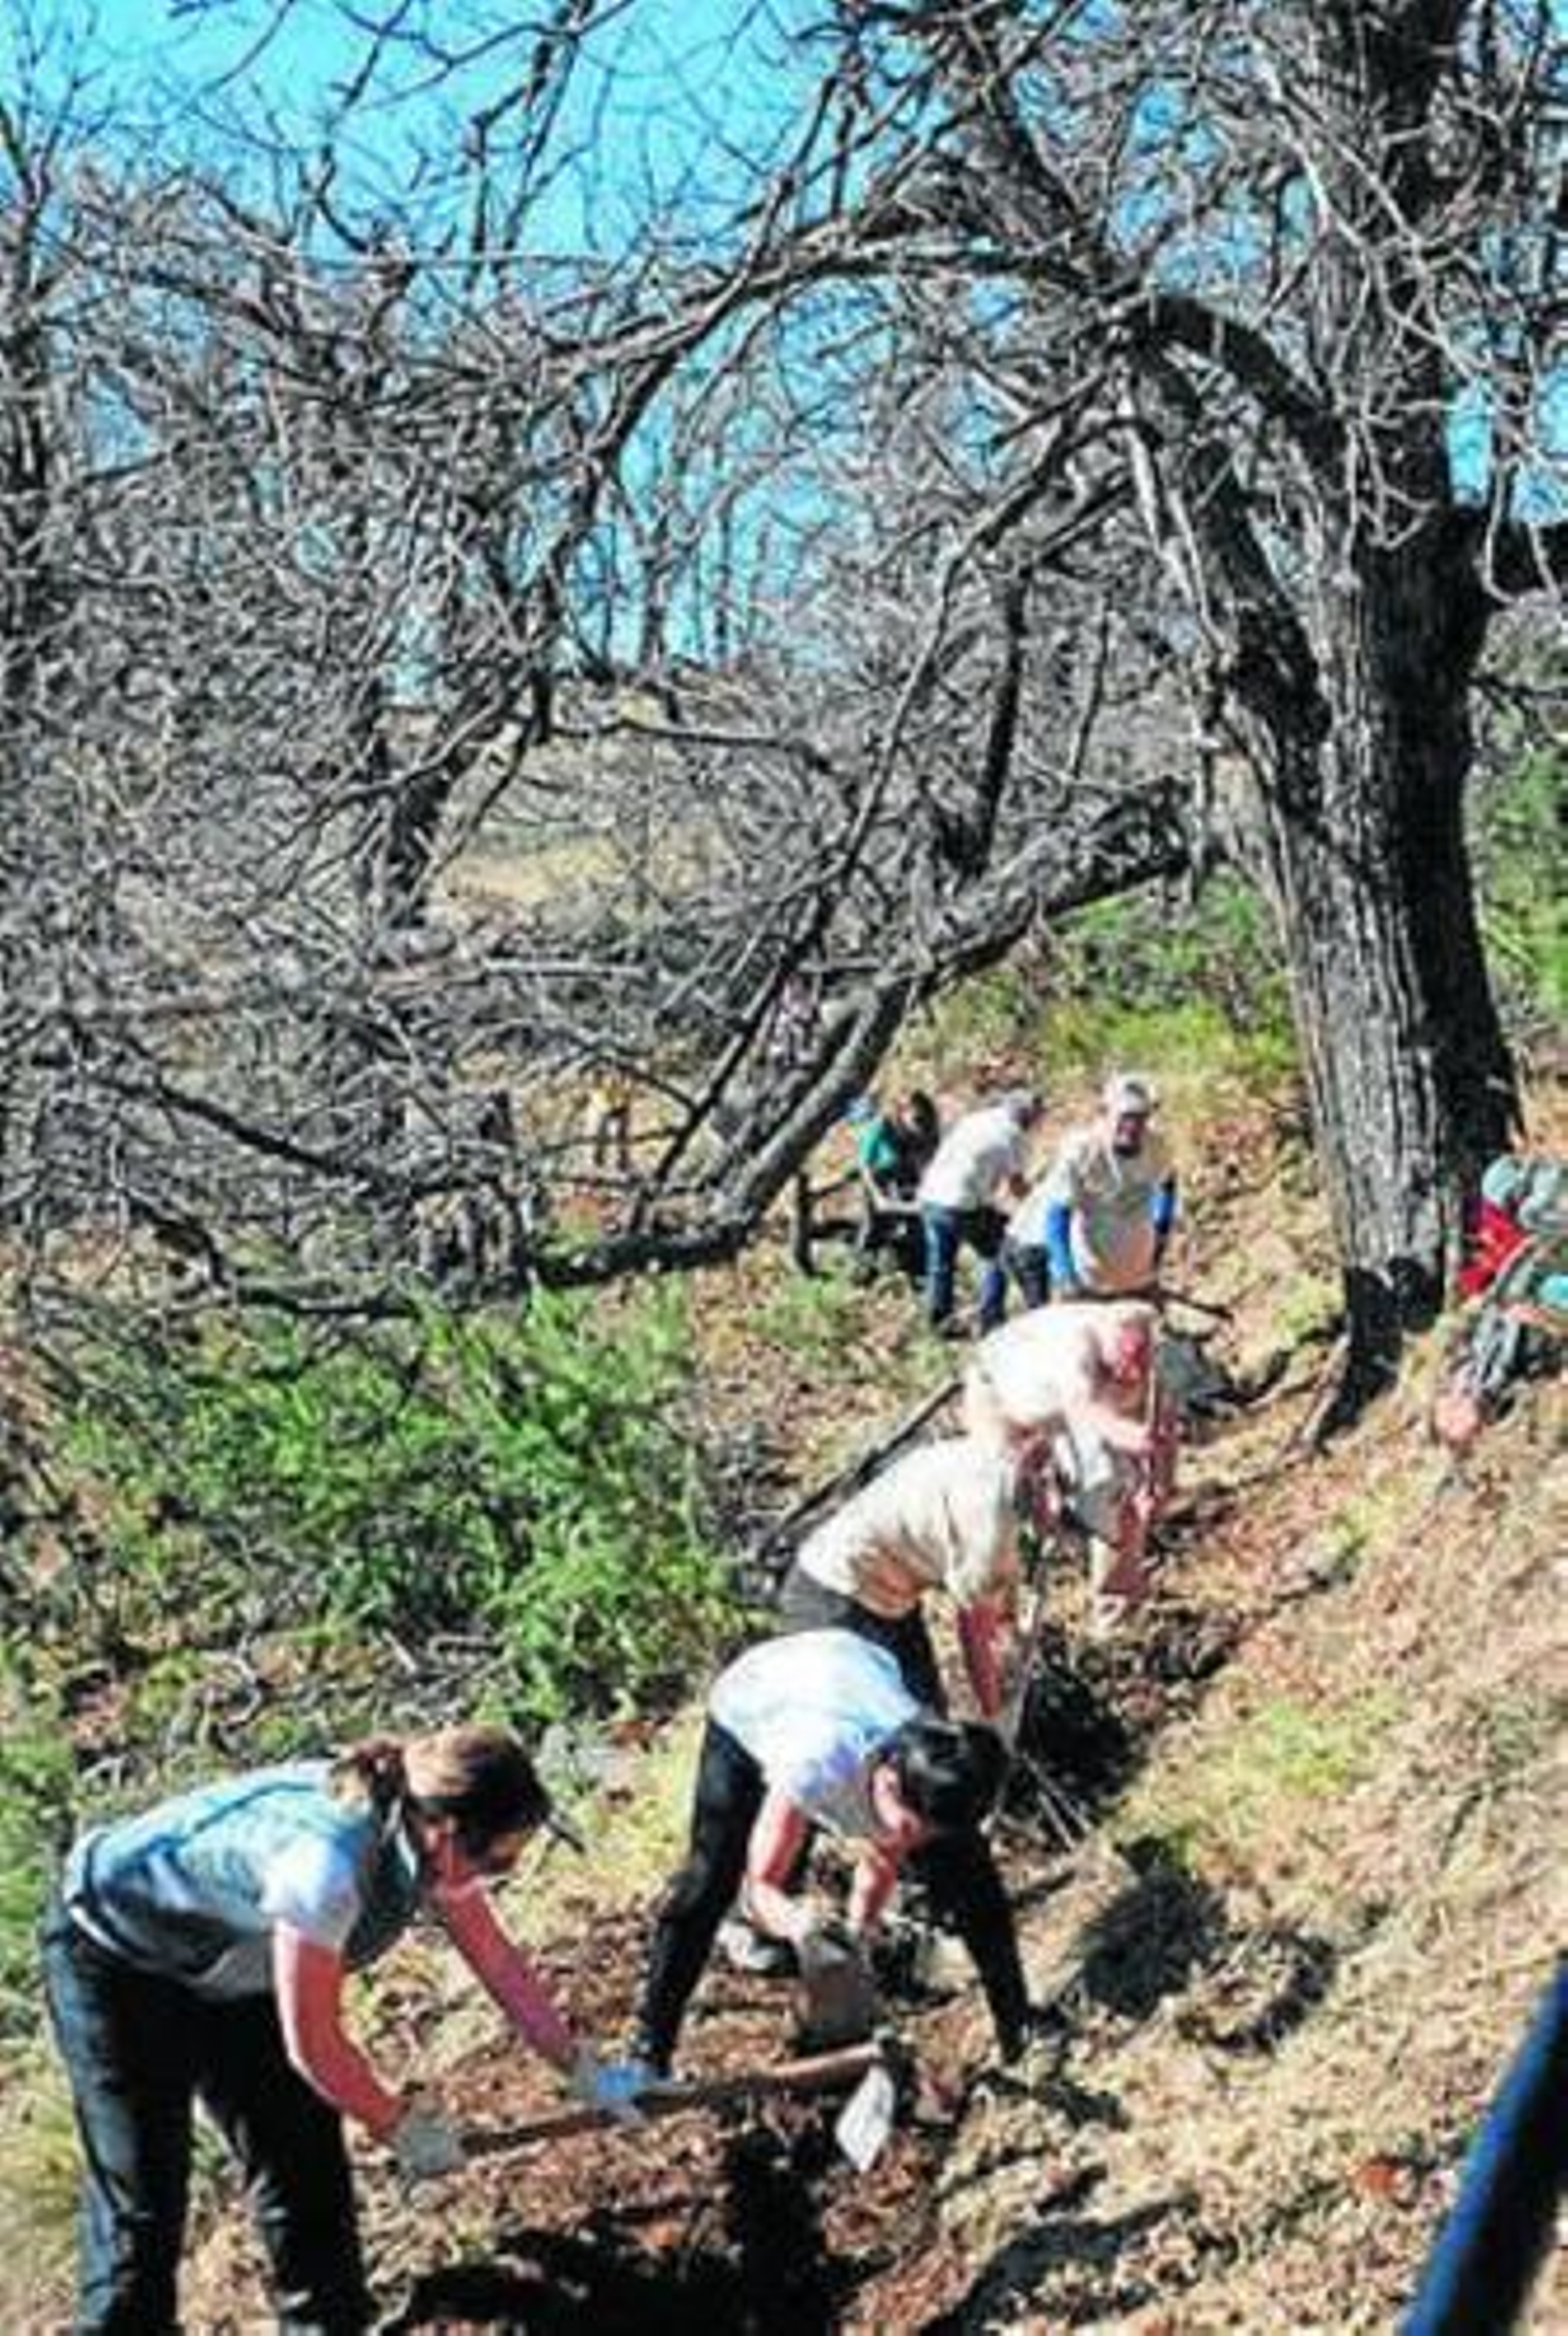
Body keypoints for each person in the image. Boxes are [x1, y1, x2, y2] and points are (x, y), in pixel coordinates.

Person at [42, 1724, 646, 2333]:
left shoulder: (428, 1838)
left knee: (305, 2172)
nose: (501, 1872)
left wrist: (581, 2067)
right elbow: (316, 2046)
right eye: (498, 1859)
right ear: (445, 1834)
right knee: (144, 2202)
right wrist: (398, 2126)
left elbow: (497, 1962)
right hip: (115, 1955)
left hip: (234, 1961)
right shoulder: (327, 1868)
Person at [634, 1629, 1033, 2077]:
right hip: (756, 1697)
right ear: (887, 1781)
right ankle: (649, 2051)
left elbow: (886, 1852)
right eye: (909, 1827)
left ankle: (1019, 2027)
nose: (911, 1841)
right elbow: (759, 1889)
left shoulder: (934, 1763)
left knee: (972, 1877)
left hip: (851, 1664)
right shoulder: (814, 1764)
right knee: (709, 1880)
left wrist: (858, 1939)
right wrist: (799, 1926)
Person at [778, 1433, 1034, 1718]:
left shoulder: (999, 1459)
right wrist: (994, 1713)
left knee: (928, 1722)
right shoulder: (989, 1523)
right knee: (880, 1735)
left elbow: (1001, 1587)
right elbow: (974, 1629)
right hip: (833, 1596)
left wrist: (1010, 1623)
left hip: (889, 1594)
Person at [963, 1298, 1166, 1626]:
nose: (1132, 1374)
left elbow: (1161, 1425)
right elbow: (1083, 1409)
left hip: (1062, 1403)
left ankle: (1115, 1613)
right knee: (1003, 1502)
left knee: (1114, 1489)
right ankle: (1004, 1620)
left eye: (1138, 1367)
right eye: (1124, 1366)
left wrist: (1159, 1484)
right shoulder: (1076, 1348)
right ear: (1107, 1343)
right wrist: (1132, 1437)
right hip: (1001, 1394)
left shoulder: (1140, 1348)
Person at [1030, 1072, 1178, 1300]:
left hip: (1139, 1274)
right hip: (1089, 1277)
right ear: (1106, 1113)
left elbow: (1168, 1182)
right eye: (1125, 1117)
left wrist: (1162, 1229)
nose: (1132, 1126)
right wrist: (1066, 1274)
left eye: (1140, 1117)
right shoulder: (1082, 1151)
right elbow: (1058, 1214)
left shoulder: (1156, 1146)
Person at [917, 1087, 1044, 1335]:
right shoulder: (1013, 1136)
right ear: (1026, 1116)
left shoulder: (978, 1118)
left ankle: (938, 1324)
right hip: (960, 1204)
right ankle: (990, 1318)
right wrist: (1040, 1201)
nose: (1038, 1124)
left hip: (931, 1196)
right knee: (1000, 1252)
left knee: (941, 1264)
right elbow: (1018, 1188)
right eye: (1036, 1118)